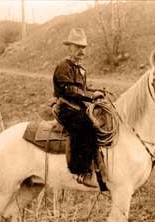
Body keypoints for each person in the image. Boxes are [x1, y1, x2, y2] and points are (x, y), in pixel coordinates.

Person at [52, 28, 104, 186]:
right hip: (66, 108)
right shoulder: (63, 67)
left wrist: (96, 92)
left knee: (102, 120)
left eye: (83, 48)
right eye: (77, 47)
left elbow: (84, 88)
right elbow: (69, 90)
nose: (81, 51)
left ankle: (99, 167)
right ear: (69, 48)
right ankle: (79, 171)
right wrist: (89, 96)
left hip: (78, 107)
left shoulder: (81, 69)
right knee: (86, 125)